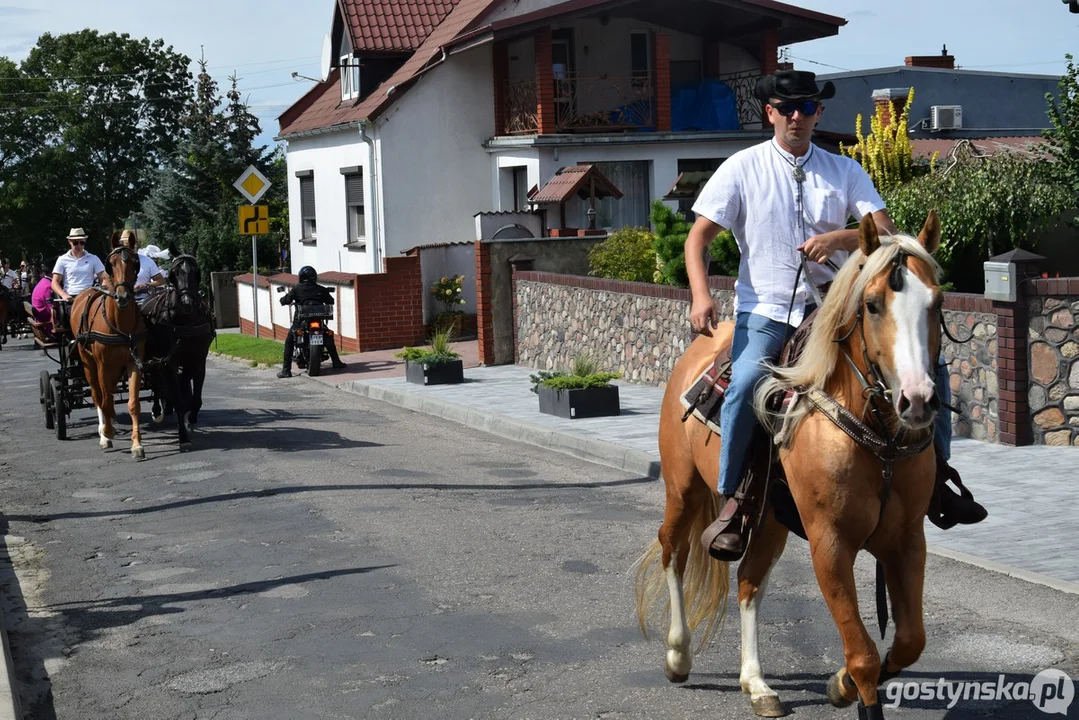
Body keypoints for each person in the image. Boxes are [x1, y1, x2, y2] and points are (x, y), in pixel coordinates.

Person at [685, 69, 985, 561]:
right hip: (767, 309)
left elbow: (887, 234)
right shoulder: (742, 168)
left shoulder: (843, 170)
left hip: (835, 308)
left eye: (806, 108)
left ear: (818, 113)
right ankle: (734, 500)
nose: (796, 116)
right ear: (771, 114)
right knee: (743, 384)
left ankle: (938, 481)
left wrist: (840, 239)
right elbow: (697, 239)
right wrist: (700, 295)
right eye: (786, 109)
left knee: (933, 371)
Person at [277, 266, 347, 378]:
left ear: (301, 277)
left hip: (301, 321)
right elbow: (331, 301)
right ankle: (336, 362)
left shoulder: (297, 289)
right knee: (328, 335)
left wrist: (283, 300)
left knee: (289, 341)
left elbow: (286, 300)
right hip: (318, 319)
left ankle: (286, 370)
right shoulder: (319, 288)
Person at [117, 229, 164, 303]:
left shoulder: (148, 261)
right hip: (121, 301)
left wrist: (146, 285)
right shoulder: (115, 262)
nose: (128, 249)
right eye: (125, 246)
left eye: (131, 245)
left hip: (142, 300)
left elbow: (160, 280)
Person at [30, 258, 57, 337]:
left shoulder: (44, 282)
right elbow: (51, 310)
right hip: (47, 327)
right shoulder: (48, 286)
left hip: (43, 320)